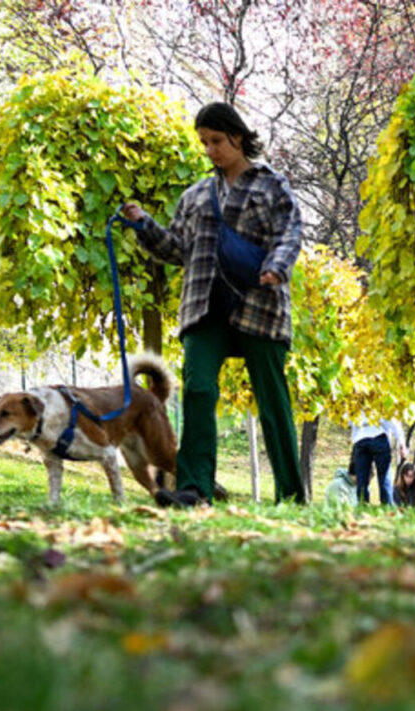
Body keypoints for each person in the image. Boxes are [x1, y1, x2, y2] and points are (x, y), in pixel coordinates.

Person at [120, 101, 304, 508]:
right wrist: (143, 224)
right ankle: (194, 488)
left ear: (238, 137)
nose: (210, 150)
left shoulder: (272, 185)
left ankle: (291, 495)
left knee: (273, 401)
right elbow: (176, 249)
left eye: (217, 140)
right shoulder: (196, 195)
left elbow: (289, 235)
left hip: (261, 304)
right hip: (204, 309)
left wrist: (276, 268)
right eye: (204, 143)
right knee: (199, 390)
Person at [350, 419, 406, 505]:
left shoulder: (355, 404)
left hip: (361, 438)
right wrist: (401, 442)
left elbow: (350, 420)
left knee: (362, 477)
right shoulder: (383, 405)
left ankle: (362, 505)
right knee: (384, 475)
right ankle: (387, 505)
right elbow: (393, 419)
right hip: (380, 435)